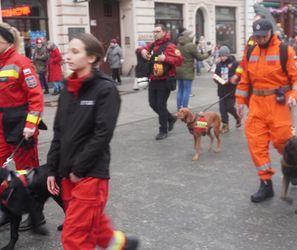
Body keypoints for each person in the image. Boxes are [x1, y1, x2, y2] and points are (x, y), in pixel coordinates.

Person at [46, 33, 139, 250]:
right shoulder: (68, 87)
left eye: (75, 52)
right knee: (91, 222)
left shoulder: (105, 89)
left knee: (74, 237)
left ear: (91, 58)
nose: (67, 56)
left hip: (90, 174)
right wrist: (52, 169)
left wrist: (79, 169)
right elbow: (59, 132)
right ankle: (121, 244)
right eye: (68, 51)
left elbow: (102, 135)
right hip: (67, 172)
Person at [236, 19, 297, 203]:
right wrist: (240, 101)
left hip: (278, 103)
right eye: (257, 36)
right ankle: (266, 184)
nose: (261, 39)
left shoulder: (285, 50)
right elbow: (244, 80)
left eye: (263, 36)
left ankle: (294, 169)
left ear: (270, 32)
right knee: (256, 143)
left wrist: (294, 95)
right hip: (257, 104)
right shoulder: (250, 51)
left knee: (284, 142)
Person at [0, 23, 44, 226]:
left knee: (27, 172)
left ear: (7, 41)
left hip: (20, 126)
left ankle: (35, 214)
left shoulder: (22, 63)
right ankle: (8, 209)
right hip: (1, 126)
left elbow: (36, 98)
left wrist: (30, 126)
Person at [141, 24, 183, 140]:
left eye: (157, 31)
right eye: (154, 31)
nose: (155, 33)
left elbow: (180, 60)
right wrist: (143, 50)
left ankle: (163, 130)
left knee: (160, 105)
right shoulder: (152, 45)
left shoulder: (170, 46)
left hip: (165, 80)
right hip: (153, 79)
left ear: (164, 32)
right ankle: (170, 118)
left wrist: (166, 59)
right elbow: (142, 48)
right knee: (152, 104)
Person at [176, 30, 209, 110]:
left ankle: (179, 107)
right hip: (187, 70)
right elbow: (199, 58)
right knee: (187, 90)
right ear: (190, 37)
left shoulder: (179, 44)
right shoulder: (191, 45)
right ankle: (185, 107)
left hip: (178, 70)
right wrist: (208, 54)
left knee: (180, 90)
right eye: (193, 36)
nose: (194, 38)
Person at [213, 46, 240, 133]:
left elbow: (238, 76)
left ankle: (237, 117)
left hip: (231, 91)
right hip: (221, 90)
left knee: (229, 107)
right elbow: (216, 75)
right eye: (220, 56)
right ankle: (225, 125)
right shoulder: (219, 64)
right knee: (222, 109)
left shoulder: (235, 63)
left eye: (224, 56)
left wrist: (231, 80)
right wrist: (216, 79)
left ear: (228, 55)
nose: (222, 58)